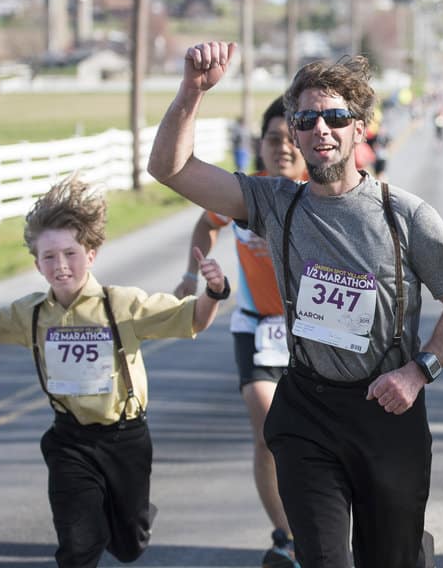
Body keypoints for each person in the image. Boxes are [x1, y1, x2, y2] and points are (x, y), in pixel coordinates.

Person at [147, 41, 443, 568]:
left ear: (358, 127)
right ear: (296, 133)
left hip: (387, 409)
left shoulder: (406, 217)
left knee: (391, 558)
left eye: (334, 117)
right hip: (307, 409)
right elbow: (170, 169)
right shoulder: (273, 204)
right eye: (306, 119)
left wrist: (419, 373)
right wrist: (192, 91)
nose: (320, 129)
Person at [0, 175, 230, 568]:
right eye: (49, 257)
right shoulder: (31, 314)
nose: (61, 265)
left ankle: (131, 517)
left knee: (129, 545)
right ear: (37, 264)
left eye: (70, 253)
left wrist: (214, 291)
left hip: (125, 438)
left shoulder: (122, 305)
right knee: (78, 542)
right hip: (70, 441)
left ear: (92, 254)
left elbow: (193, 320)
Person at [172, 97, 306, 566]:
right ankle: (287, 537)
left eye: (292, 139)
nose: (284, 149)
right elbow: (205, 222)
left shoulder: (321, 194)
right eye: (274, 139)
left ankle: (323, 526)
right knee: (270, 430)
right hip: (258, 327)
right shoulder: (242, 194)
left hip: (315, 334)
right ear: (260, 145)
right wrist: (192, 276)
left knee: (319, 437)